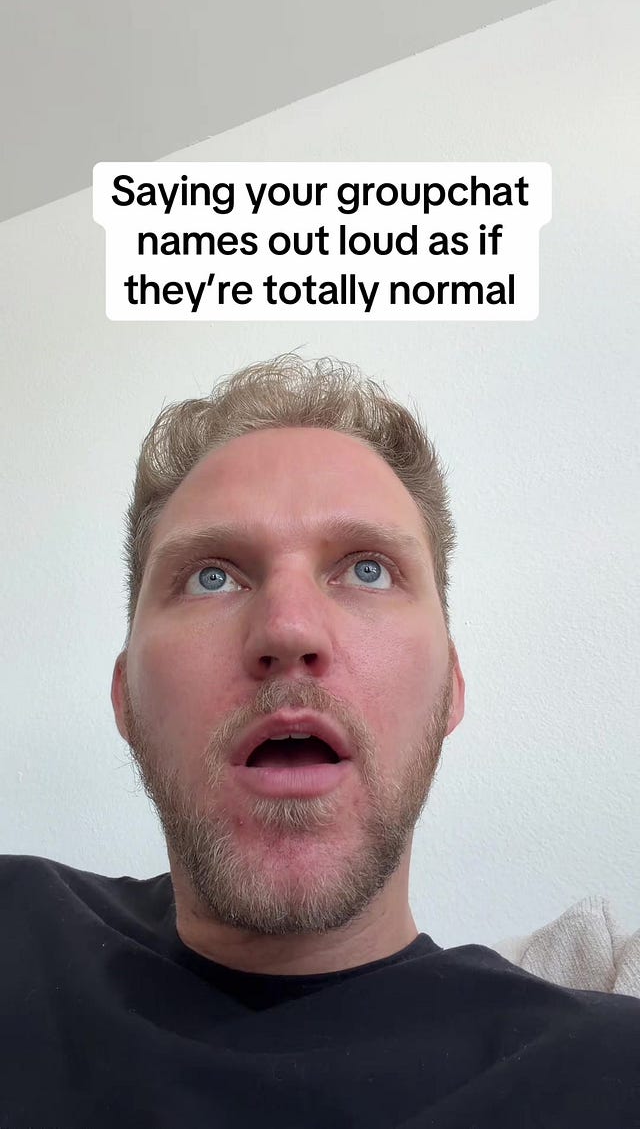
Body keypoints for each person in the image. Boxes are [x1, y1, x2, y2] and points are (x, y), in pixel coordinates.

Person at [2, 355, 639, 1128]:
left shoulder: (606, 1074)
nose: (288, 628)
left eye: (367, 569)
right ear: (125, 700)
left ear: (450, 689)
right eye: (212, 576)